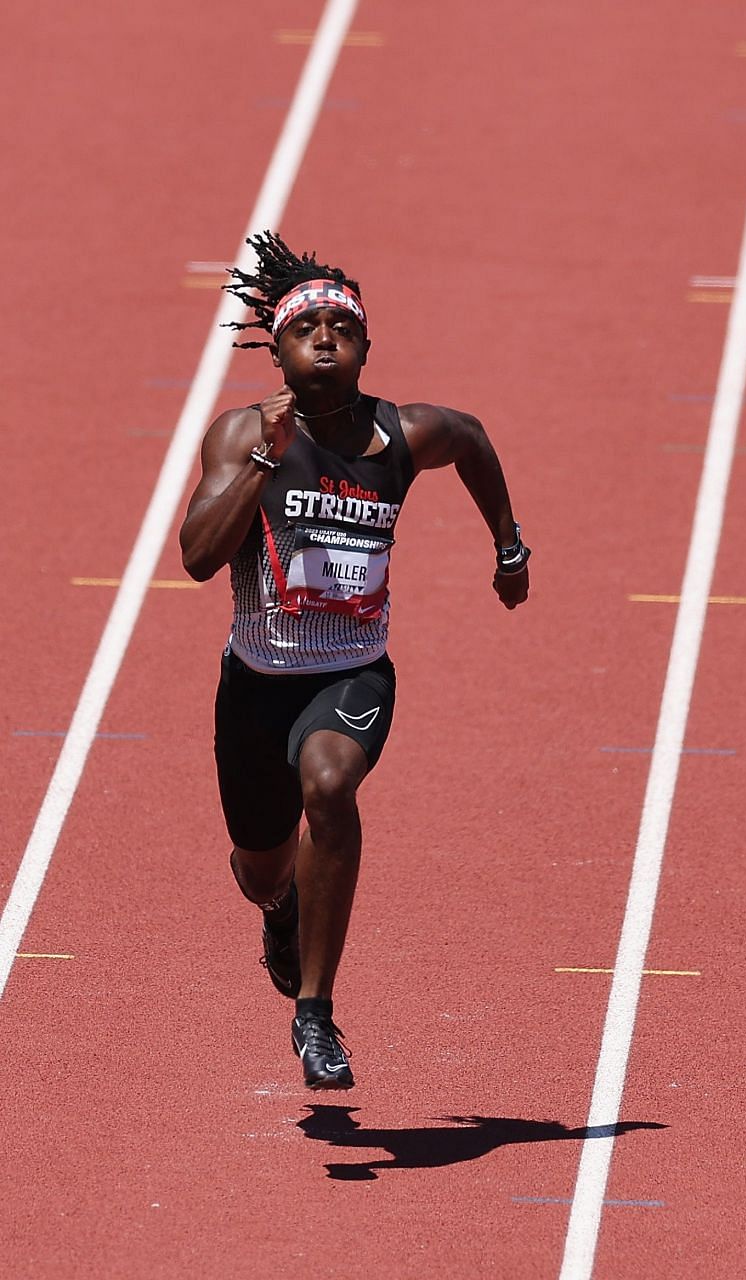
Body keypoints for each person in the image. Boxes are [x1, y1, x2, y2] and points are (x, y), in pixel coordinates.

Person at [178, 232, 531, 1087]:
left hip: (351, 673)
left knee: (330, 785)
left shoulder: (403, 434)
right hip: (255, 684)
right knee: (261, 870)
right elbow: (195, 557)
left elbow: (474, 439)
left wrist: (508, 547)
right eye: (309, 328)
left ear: (367, 347)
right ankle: (282, 910)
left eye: (344, 325)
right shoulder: (240, 435)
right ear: (281, 349)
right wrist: (263, 463)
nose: (327, 337)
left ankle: (316, 1014)